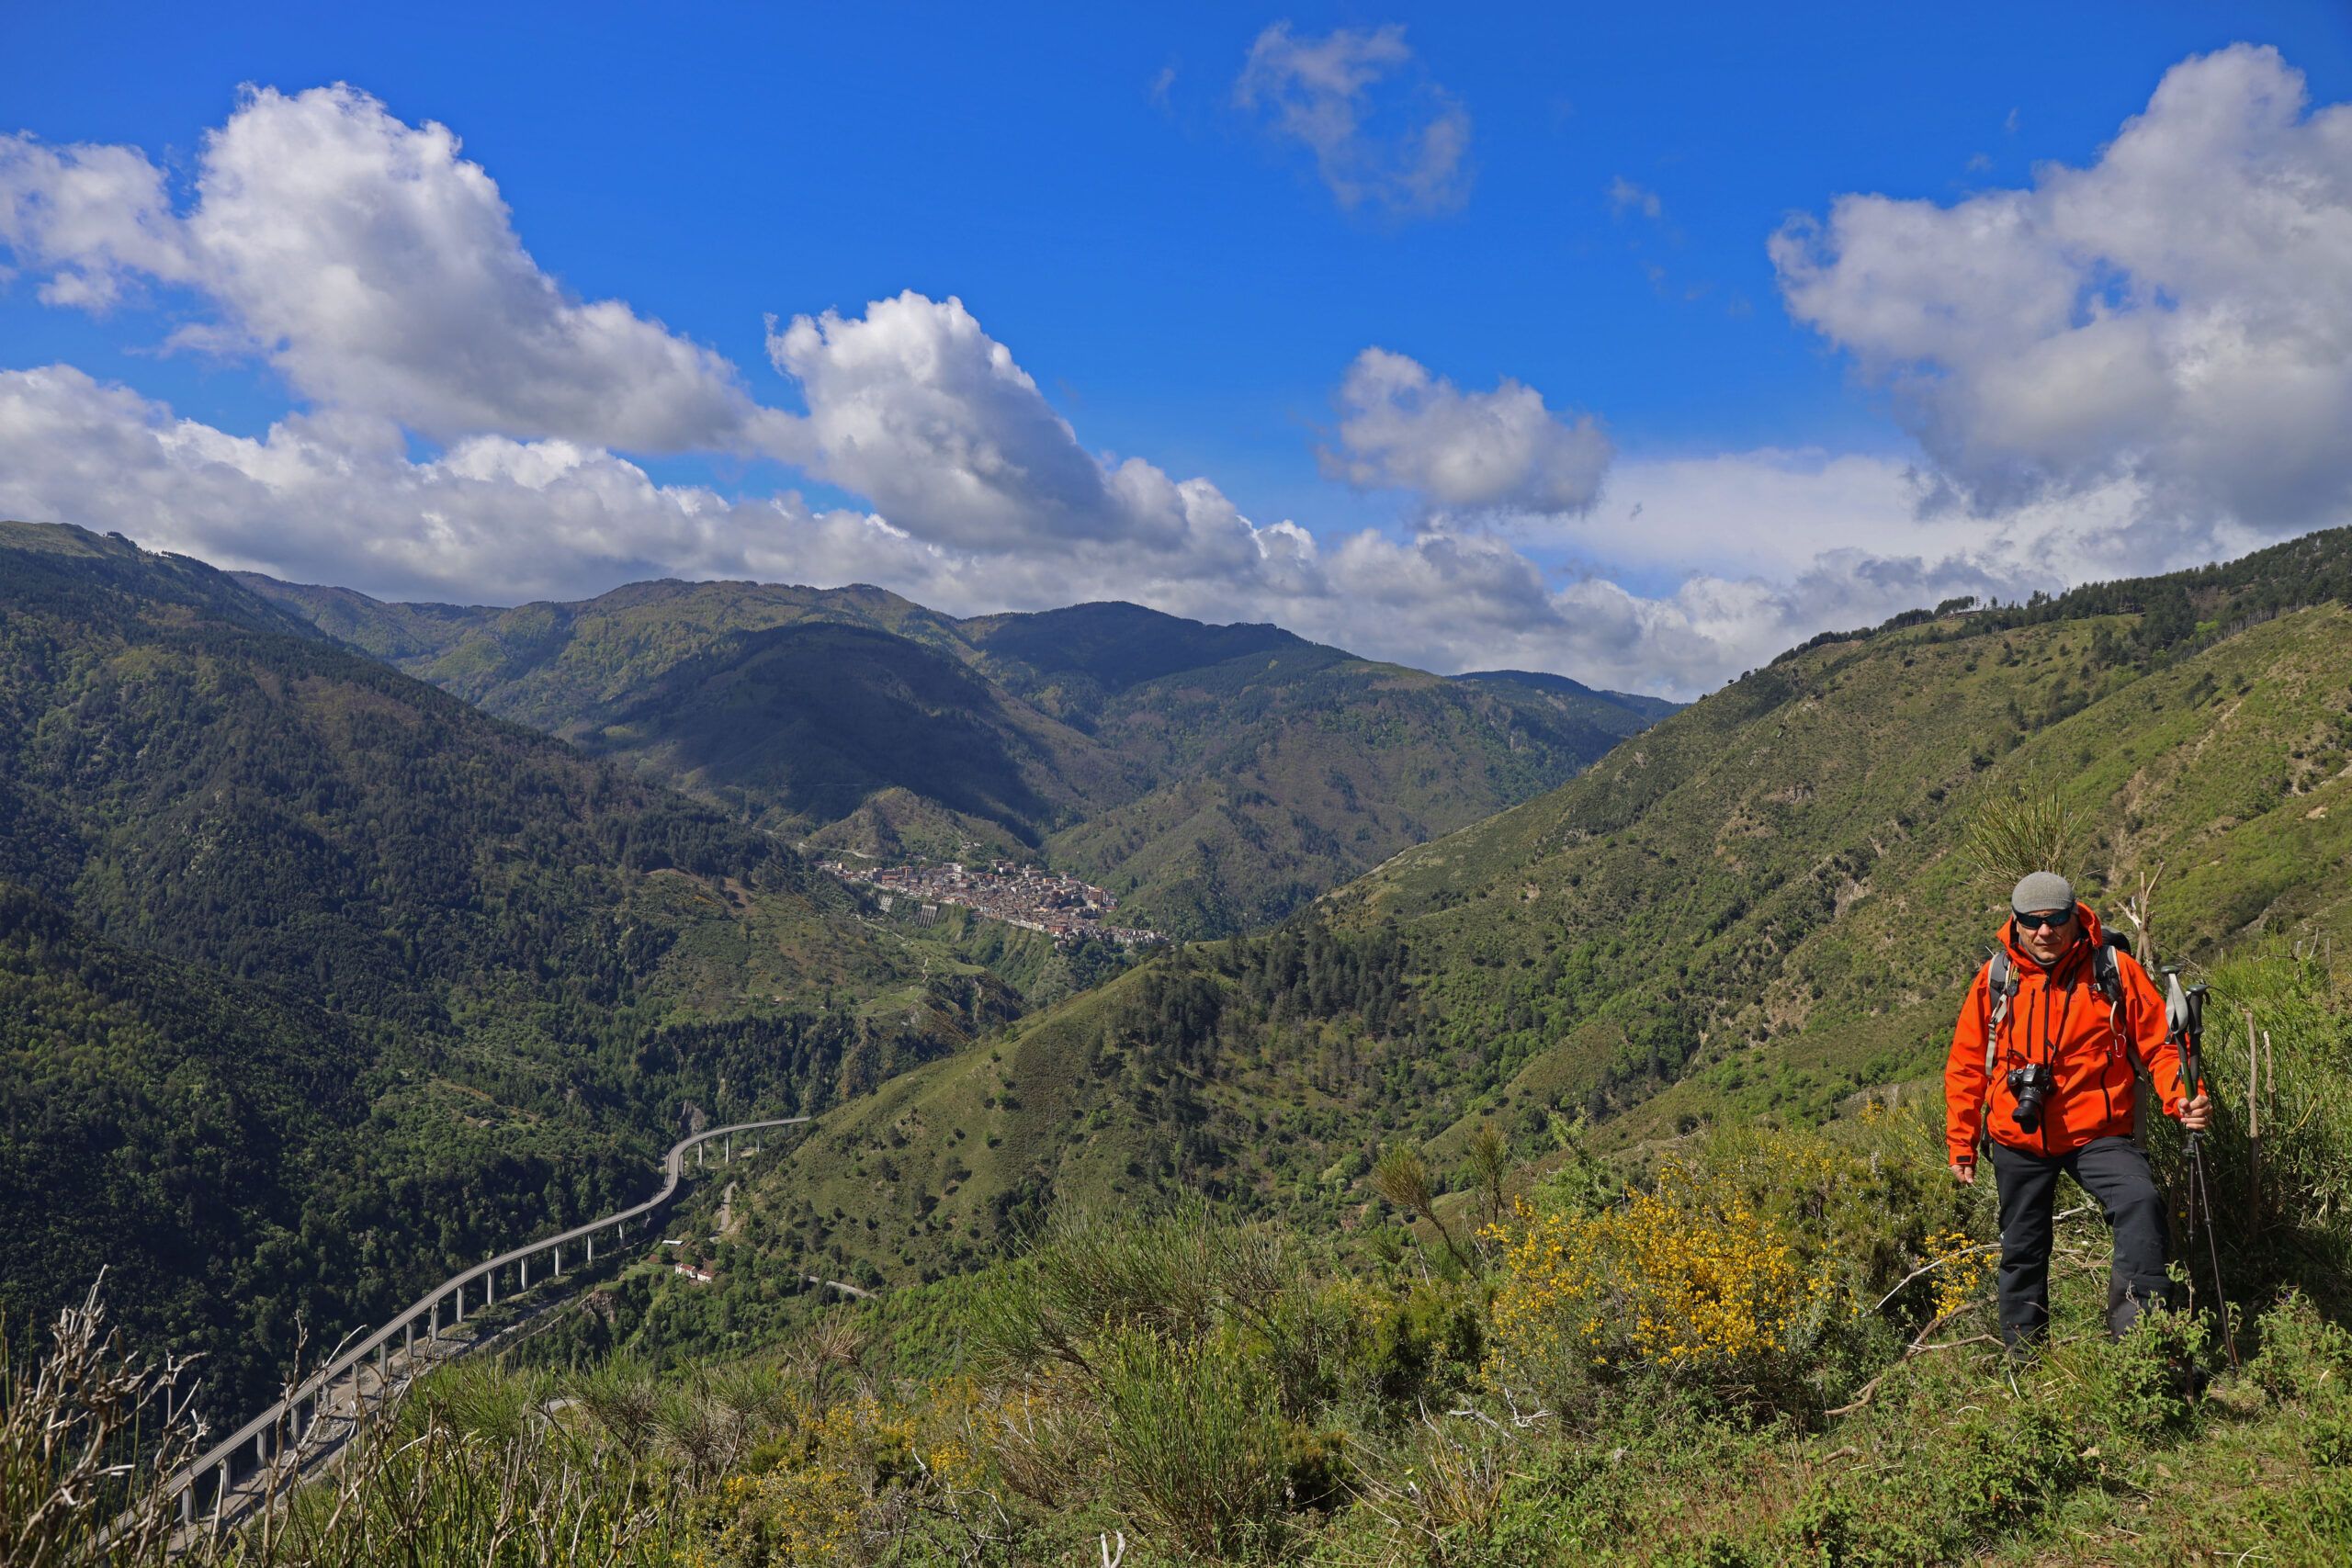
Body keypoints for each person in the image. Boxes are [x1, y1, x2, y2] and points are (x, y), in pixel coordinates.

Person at [1944, 872, 2214, 1349]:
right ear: (2016, 922)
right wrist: (1961, 1141)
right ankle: (2023, 1362)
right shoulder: (1996, 980)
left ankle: (2139, 1345)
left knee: (2139, 1202)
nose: (2044, 932)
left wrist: (2182, 1099)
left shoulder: (2112, 970)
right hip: (2018, 1136)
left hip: (2098, 1132)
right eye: (2032, 922)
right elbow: (1967, 1065)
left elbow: (2161, 1046)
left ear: (2075, 917)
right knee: (2022, 1250)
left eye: (2056, 920)